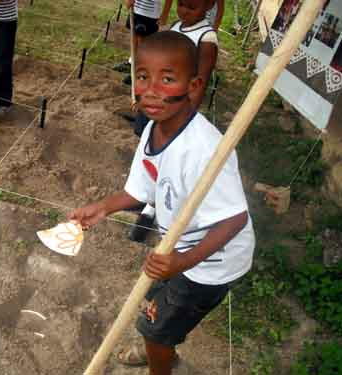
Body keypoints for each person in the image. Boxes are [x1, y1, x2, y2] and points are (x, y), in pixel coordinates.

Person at [69, 31, 255, 374]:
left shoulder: (203, 149)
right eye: (142, 76)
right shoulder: (156, 128)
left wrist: (182, 262)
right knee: (155, 309)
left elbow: (235, 220)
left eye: (167, 79)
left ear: (194, 85)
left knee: (155, 325)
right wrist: (104, 207)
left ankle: (160, 362)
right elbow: (142, 189)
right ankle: (160, 350)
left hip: (209, 264)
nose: (151, 89)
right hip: (177, 252)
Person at [128, 0, 219, 242]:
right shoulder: (177, 26)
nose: (185, 11)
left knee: (168, 164)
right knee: (151, 156)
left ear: (208, 6)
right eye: (182, 5)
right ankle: (144, 196)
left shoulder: (207, 40)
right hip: (160, 106)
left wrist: (182, 118)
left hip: (176, 114)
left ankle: (151, 212)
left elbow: (199, 83)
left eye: (192, 7)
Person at [113, 0, 174, 85]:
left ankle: (139, 73)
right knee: (134, 38)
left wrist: (165, 14)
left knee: (144, 43)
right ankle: (132, 63)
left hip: (150, 14)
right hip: (135, 9)